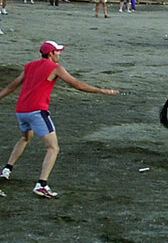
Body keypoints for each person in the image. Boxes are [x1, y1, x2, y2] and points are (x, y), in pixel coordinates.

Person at [0, 41, 118, 198]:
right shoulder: (55, 68)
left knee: (26, 137)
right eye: (57, 51)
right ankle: (42, 185)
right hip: (37, 112)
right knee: (53, 148)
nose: (59, 54)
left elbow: (11, 87)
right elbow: (77, 84)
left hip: (21, 111)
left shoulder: (29, 66)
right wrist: (101, 90)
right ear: (50, 54)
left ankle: (7, 169)